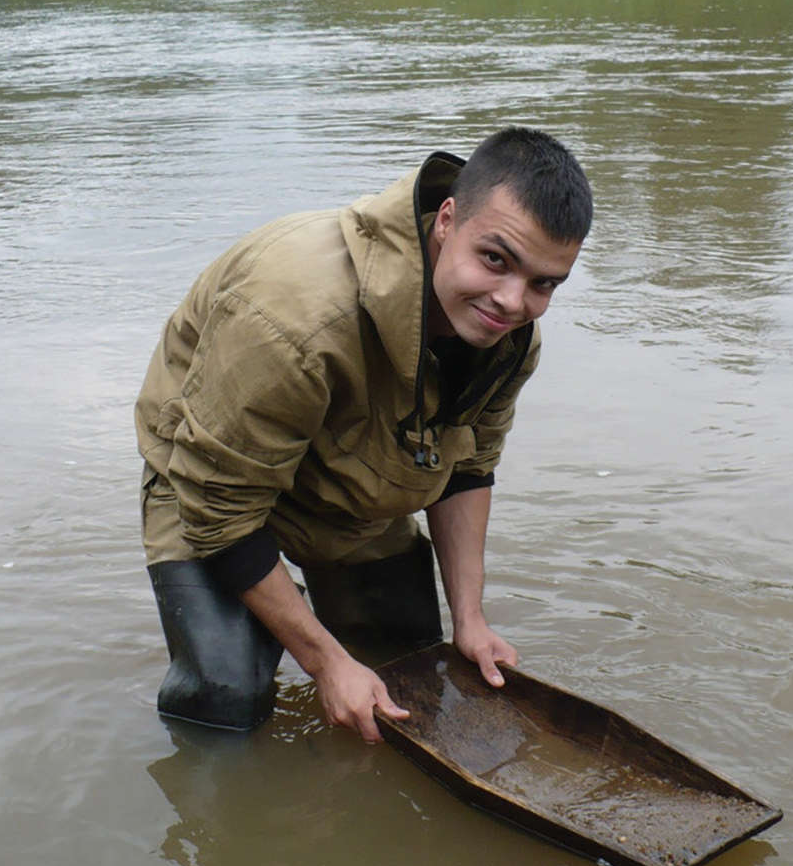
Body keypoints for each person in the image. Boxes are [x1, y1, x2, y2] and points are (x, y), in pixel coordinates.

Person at [135, 127, 592, 743]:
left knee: (409, 666)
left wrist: (472, 620)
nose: (512, 302)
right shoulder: (293, 318)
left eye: (543, 284)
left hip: (353, 468)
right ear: (447, 220)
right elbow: (220, 513)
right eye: (495, 259)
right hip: (210, 478)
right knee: (227, 693)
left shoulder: (507, 338)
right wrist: (325, 663)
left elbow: (468, 467)